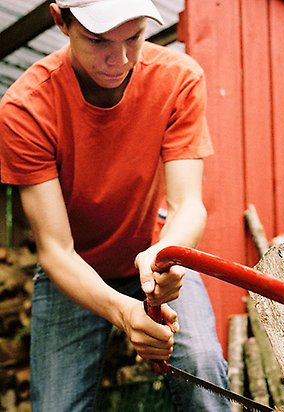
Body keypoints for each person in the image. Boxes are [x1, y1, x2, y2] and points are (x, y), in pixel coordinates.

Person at [0, 1, 230, 410]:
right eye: (98, 40)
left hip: (153, 252)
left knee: (203, 367)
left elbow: (188, 207)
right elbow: (56, 250)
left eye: (134, 37)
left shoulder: (179, 78)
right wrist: (125, 314)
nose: (119, 59)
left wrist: (166, 257)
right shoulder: (24, 109)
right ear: (61, 21)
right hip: (73, 272)